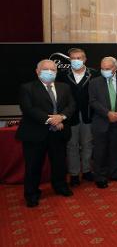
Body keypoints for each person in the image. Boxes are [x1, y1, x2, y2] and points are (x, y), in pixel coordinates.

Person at [17, 59, 76, 207]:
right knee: (33, 166)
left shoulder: (64, 87)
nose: (50, 72)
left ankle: (60, 186)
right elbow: (28, 109)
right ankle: (31, 194)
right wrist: (52, 120)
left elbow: (71, 105)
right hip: (35, 134)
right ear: (37, 72)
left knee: (59, 163)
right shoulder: (27, 88)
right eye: (46, 69)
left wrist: (61, 117)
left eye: (53, 70)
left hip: (59, 134)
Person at [89, 57, 117, 189]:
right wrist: (108, 113)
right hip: (101, 121)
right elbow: (93, 101)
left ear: (115, 68)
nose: (104, 71)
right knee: (100, 150)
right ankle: (100, 176)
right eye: (102, 68)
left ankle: (115, 173)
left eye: (107, 69)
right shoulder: (94, 82)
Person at [58, 48, 96, 186]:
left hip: (88, 115)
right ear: (69, 60)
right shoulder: (62, 75)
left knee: (87, 144)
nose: (76, 61)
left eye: (79, 58)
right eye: (73, 58)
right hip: (70, 116)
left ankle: (86, 171)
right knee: (72, 145)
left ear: (85, 59)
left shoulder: (94, 73)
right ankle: (74, 174)